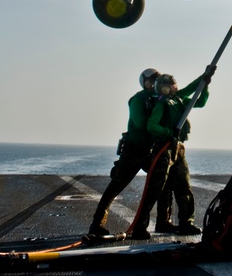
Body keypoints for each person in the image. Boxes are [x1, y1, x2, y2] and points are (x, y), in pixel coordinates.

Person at [86, 68, 172, 238]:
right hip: (133, 150)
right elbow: (140, 123)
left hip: (150, 150)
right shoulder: (138, 100)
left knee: (163, 183)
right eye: (155, 81)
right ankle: (97, 224)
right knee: (116, 186)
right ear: (147, 83)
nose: (158, 84)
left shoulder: (160, 100)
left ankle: (158, 222)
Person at [129, 67, 213, 239]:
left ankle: (186, 223)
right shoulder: (161, 104)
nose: (175, 87)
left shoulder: (178, 101)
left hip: (178, 148)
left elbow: (201, 100)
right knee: (155, 188)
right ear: (164, 87)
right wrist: (168, 132)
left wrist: (205, 84)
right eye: (171, 84)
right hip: (163, 148)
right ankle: (140, 226)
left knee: (184, 186)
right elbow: (152, 126)